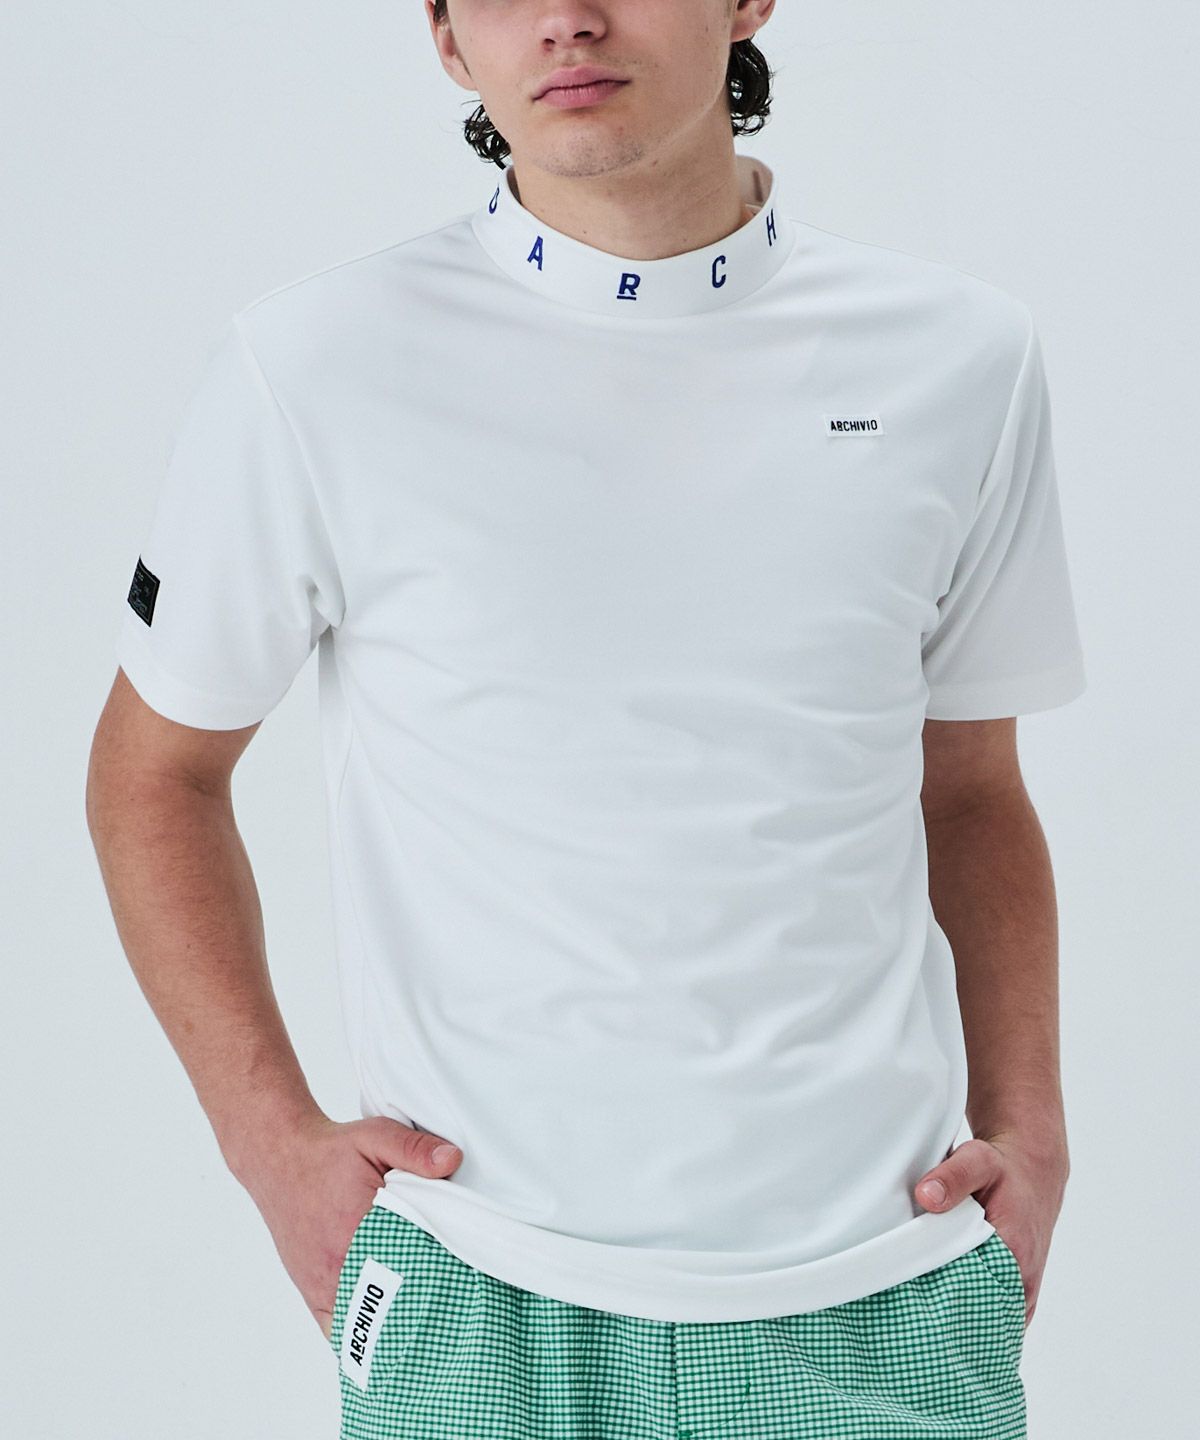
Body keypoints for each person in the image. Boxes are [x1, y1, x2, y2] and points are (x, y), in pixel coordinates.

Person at [85, 2, 1087, 1436]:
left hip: (885, 1292)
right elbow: (153, 775)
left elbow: (972, 790)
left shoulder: (959, 359)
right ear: (446, 39)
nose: (565, 18)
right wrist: (274, 1148)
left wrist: (1033, 1132)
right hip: (479, 1298)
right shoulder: (311, 366)